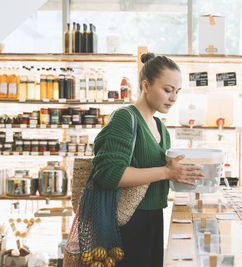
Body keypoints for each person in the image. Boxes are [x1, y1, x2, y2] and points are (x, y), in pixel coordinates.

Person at [92, 53, 204, 266]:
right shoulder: (125, 118)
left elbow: (158, 175)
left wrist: (182, 175)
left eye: (177, 92)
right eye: (167, 90)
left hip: (153, 218)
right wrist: (166, 172)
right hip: (125, 221)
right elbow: (108, 174)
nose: (173, 98)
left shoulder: (161, 127)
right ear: (146, 85)